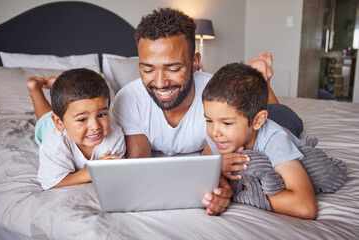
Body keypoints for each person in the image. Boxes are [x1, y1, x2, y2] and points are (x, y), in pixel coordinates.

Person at [112, 8, 303, 215]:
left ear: (195, 62)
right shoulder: (128, 99)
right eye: (148, 69)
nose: (160, 83)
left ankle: (263, 81)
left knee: (280, 125)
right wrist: (218, 186)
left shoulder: (215, 96)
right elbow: (140, 166)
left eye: (173, 69)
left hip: (274, 116)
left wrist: (217, 177)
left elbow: (215, 159)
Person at [202, 62, 317, 219]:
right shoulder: (217, 133)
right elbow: (203, 172)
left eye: (227, 123)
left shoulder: (275, 139)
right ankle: (264, 80)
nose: (214, 132)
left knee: (278, 110)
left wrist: (242, 191)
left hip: (285, 120)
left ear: (258, 121)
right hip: (257, 117)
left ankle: (266, 81)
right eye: (208, 120)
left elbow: (305, 207)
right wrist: (218, 170)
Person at [27, 68, 125, 190]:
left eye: (101, 115)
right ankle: (35, 89)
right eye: (82, 119)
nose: (95, 126)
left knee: (64, 108)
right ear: (59, 122)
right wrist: (90, 172)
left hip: (68, 119)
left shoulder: (115, 136)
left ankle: (61, 89)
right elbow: (52, 183)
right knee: (44, 119)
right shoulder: (54, 145)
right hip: (52, 129)